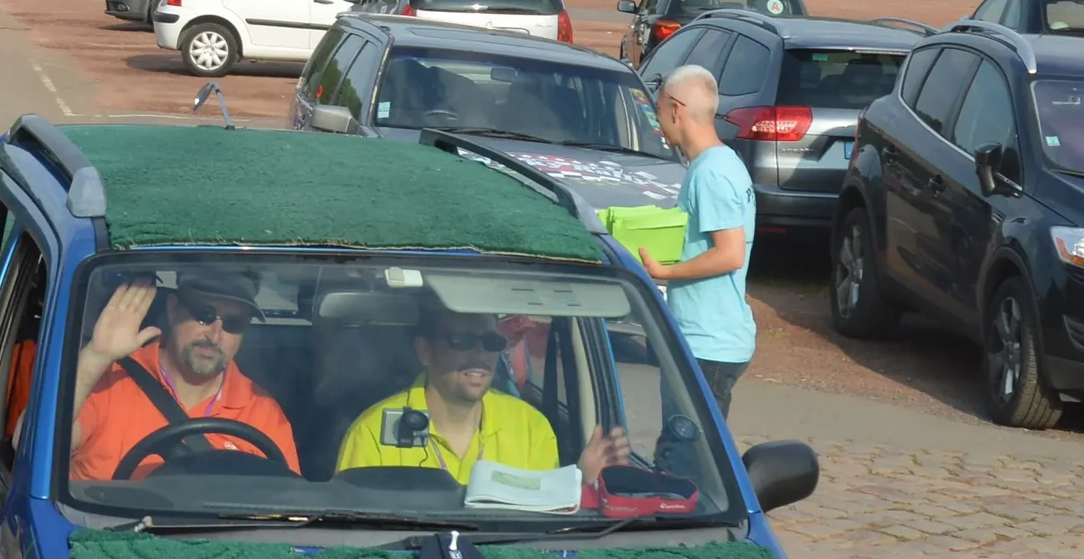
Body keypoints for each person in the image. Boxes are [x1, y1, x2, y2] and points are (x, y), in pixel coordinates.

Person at [336, 298, 629, 485]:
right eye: (462, 340)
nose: (480, 355)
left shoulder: (530, 427)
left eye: (490, 342)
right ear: (425, 350)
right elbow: (354, 533)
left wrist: (583, 483)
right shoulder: (372, 431)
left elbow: (547, 526)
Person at [72, 271, 298, 482]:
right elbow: (43, 446)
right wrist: (95, 357)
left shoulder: (262, 411)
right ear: (172, 310)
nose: (215, 336)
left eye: (233, 324)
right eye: (204, 315)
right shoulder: (109, 380)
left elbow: (286, 505)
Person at [636, 65, 756, 415]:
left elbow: (730, 253)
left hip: (708, 345)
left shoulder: (711, 173)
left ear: (675, 110)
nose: (657, 121)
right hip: (709, 340)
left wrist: (663, 272)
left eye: (657, 110)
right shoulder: (722, 163)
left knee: (686, 456)